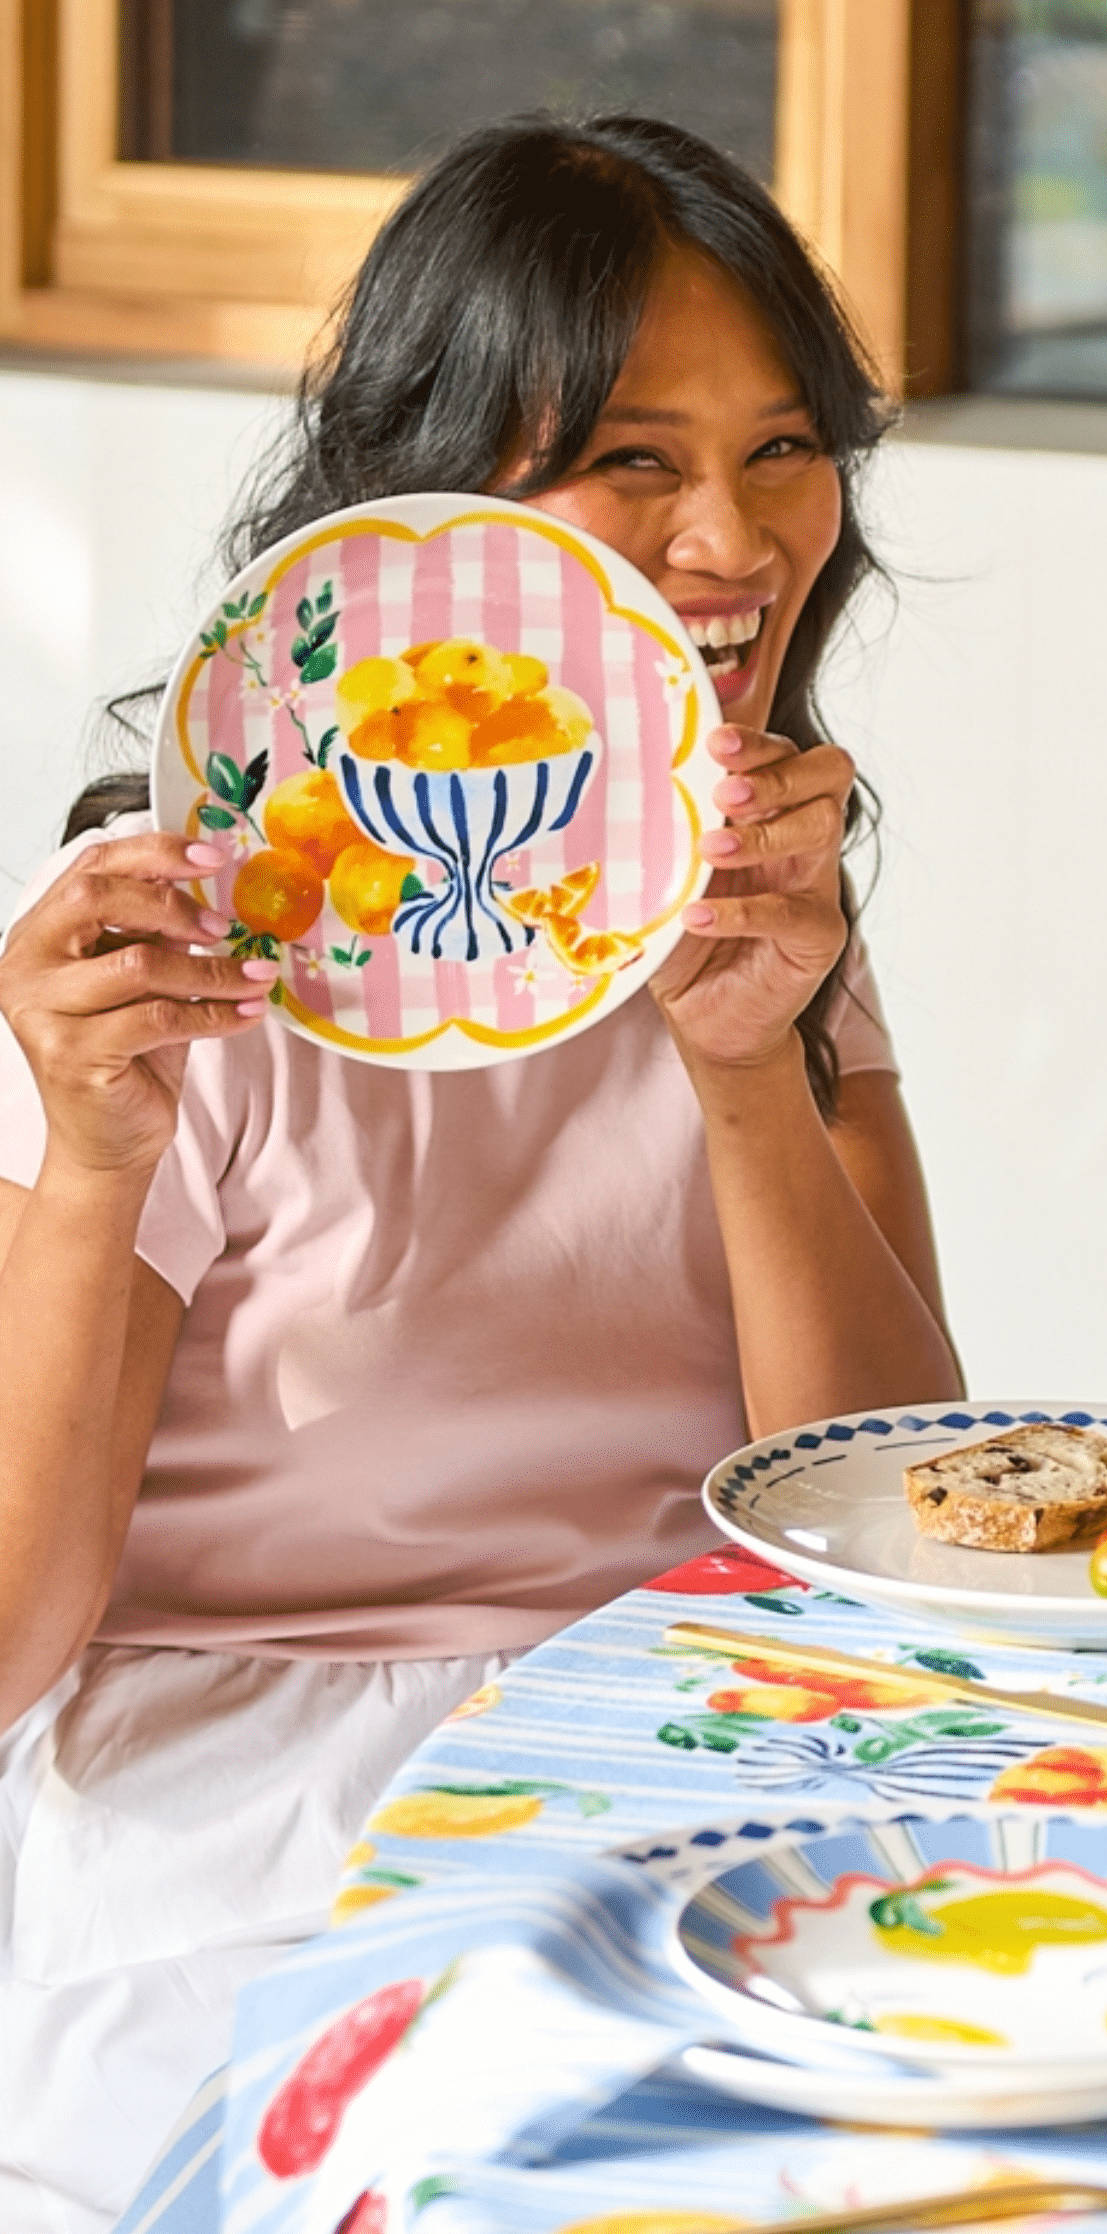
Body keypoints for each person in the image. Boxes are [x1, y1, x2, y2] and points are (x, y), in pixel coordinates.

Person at [0, 114, 962, 2229]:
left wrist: (742, 1071)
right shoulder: (174, 936)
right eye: (634, 459)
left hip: (687, 1765)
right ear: (425, 504)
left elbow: (890, 1515)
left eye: (783, 450)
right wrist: (89, 1165)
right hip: (256, 1828)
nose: (732, 535)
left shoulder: (774, 910)